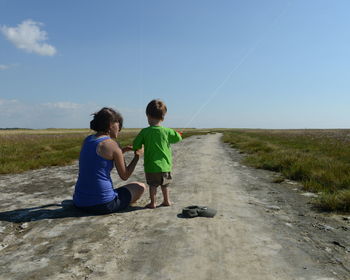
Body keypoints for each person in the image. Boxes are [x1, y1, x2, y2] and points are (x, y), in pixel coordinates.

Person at [73, 107, 146, 214]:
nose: (120, 128)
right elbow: (124, 175)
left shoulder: (87, 140)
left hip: (79, 201)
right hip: (104, 204)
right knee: (140, 186)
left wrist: (122, 151)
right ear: (111, 124)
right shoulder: (112, 145)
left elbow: (98, 159)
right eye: (118, 124)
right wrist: (137, 156)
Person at [133, 99, 182, 209]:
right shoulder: (168, 131)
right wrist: (178, 133)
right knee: (165, 185)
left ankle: (153, 203)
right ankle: (167, 201)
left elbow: (136, 144)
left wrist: (137, 148)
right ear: (163, 117)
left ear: (148, 115)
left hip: (151, 166)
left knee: (153, 185)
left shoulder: (144, 131)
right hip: (165, 166)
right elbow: (178, 138)